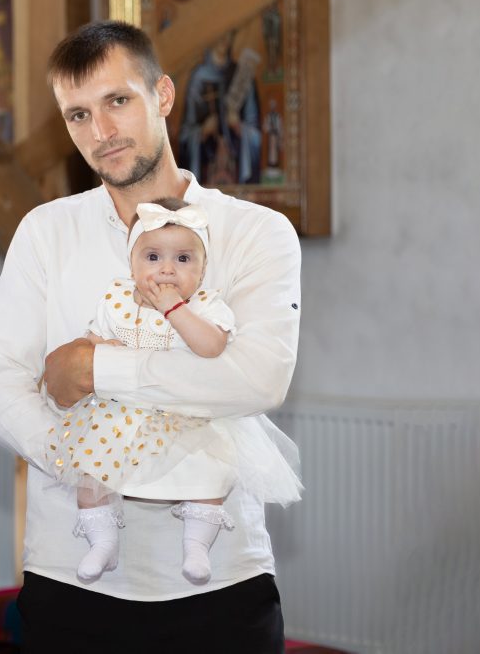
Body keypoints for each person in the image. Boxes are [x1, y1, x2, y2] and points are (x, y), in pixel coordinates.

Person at [0, 21, 301, 653]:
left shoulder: (258, 232)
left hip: (222, 580)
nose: (101, 131)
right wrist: (84, 457)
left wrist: (96, 370)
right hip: (72, 578)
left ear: (163, 95)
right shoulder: (46, 231)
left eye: (117, 101)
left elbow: (258, 379)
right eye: (78, 115)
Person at [46, 198, 301, 585]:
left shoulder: (205, 305)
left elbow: (211, 347)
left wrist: (173, 308)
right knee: (90, 471)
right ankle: (102, 542)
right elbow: (92, 344)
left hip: (186, 415)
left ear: (202, 270)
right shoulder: (115, 299)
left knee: (209, 471)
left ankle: (196, 545)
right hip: (122, 415)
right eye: (153, 257)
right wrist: (100, 347)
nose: (167, 269)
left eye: (183, 259)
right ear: (132, 265)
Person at [178, 30, 263, 185]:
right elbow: (185, 135)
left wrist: (238, 126)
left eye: (228, 33)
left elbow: (256, 136)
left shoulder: (242, 76)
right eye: (219, 33)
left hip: (236, 170)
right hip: (206, 170)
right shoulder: (198, 78)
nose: (223, 39)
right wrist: (203, 131)